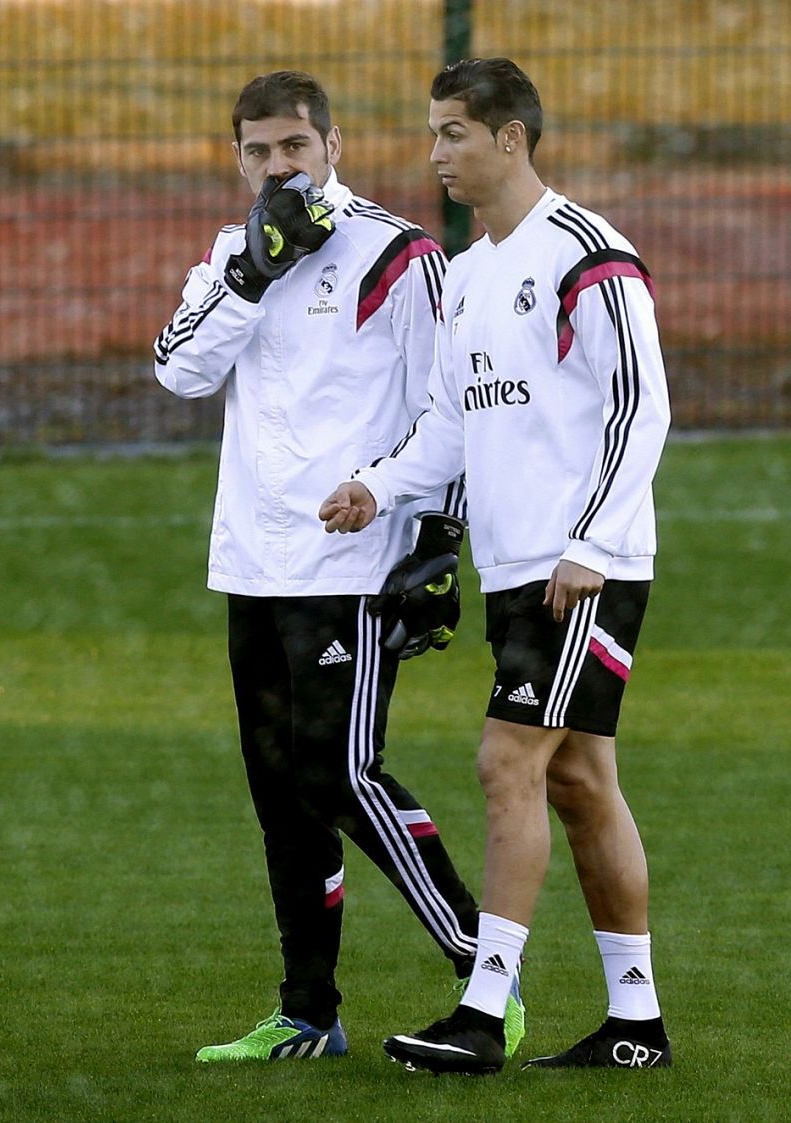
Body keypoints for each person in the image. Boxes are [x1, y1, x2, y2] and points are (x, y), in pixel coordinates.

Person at [154, 70, 524, 1063]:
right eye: (258, 151)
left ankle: (484, 971)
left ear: (333, 146)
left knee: (340, 772)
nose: (277, 166)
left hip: (352, 562)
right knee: (281, 791)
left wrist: (439, 548)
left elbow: (446, 409)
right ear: (237, 157)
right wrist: (249, 278)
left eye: (294, 148)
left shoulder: (399, 256)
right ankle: (308, 1012)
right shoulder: (232, 253)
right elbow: (178, 368)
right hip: (250, 561)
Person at [320, 56, 672, 1075]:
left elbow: (637, 406)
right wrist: (377, 488)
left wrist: (590, 545)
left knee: (503, 761)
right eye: (433, 134)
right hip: (518, 568)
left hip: (581, 570)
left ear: (509, 136)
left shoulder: (585, 255)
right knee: (575, 779)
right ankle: (635, 1023)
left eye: (450, 133)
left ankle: (480, 1010)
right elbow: (447, 425)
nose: (433, 154)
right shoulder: (466, 273)